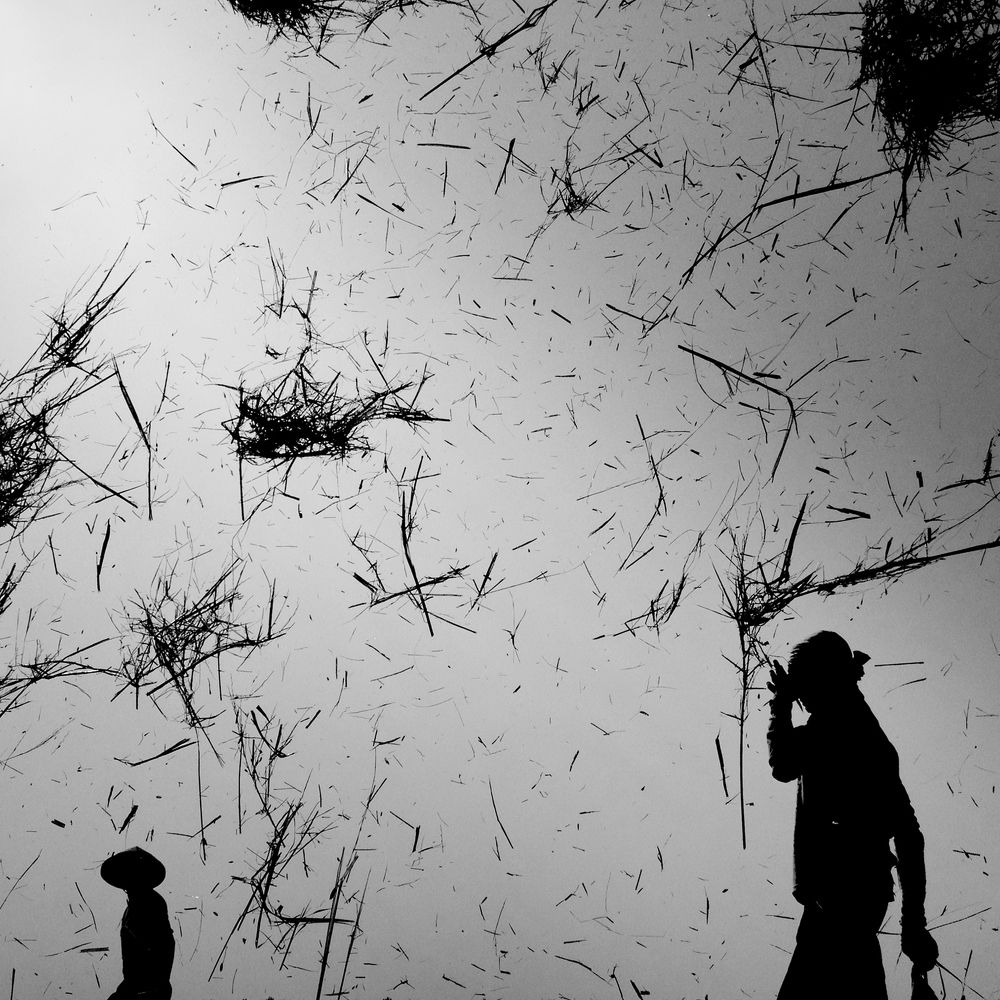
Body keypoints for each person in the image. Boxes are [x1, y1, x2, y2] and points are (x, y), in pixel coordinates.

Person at [766, 630, 938, 999]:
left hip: (843, 901)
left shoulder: (839, 732)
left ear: (826, 681)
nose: (803, 699)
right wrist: (913, 924)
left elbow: (782, 764)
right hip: (847, 901)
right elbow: (909, 834)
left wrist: (780, 706)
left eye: (805, 687)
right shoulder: (858, 731)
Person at [100, 846, 175, 1000]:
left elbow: (164, 945)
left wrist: (153, 988)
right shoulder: (130, 910)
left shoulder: (151, 902)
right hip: (135, 987)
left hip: (148, 989)